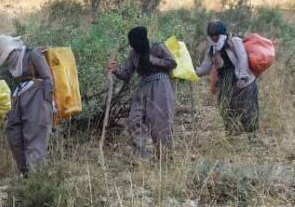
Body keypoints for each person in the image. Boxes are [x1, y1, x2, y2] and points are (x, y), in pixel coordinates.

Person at [109, 26, 178, 159]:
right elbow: (126, 74)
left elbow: (172, 63)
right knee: (134, 119)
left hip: (161, 85)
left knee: (161, 122)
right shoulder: (133, 53)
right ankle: (141, 156)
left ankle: (164, 157)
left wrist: (154, 60)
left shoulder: (158, 46)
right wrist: (115, 70)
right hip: (143, 86)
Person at [0, 35, 54, 177]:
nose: (8, 59)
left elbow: (48, 79)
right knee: (13, 132)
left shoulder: (33, 54)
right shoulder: (13, 64)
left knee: (35, 137)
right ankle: (25, 172)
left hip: (37, 98)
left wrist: (45, 103)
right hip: (21, 98)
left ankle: (35, 176)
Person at [195, 21, 259, 136]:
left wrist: (243, 78)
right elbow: (205, 68)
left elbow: (242, 58)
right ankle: (232, 135)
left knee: (247, 108)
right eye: (212, 35)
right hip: (225, 82)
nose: (214, 37)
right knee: (226, 109)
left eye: (217, 35)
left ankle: (252, 137)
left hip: (243, 81)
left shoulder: (234, 41)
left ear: (222, 33)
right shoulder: (211, 50)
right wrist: (191, 73)